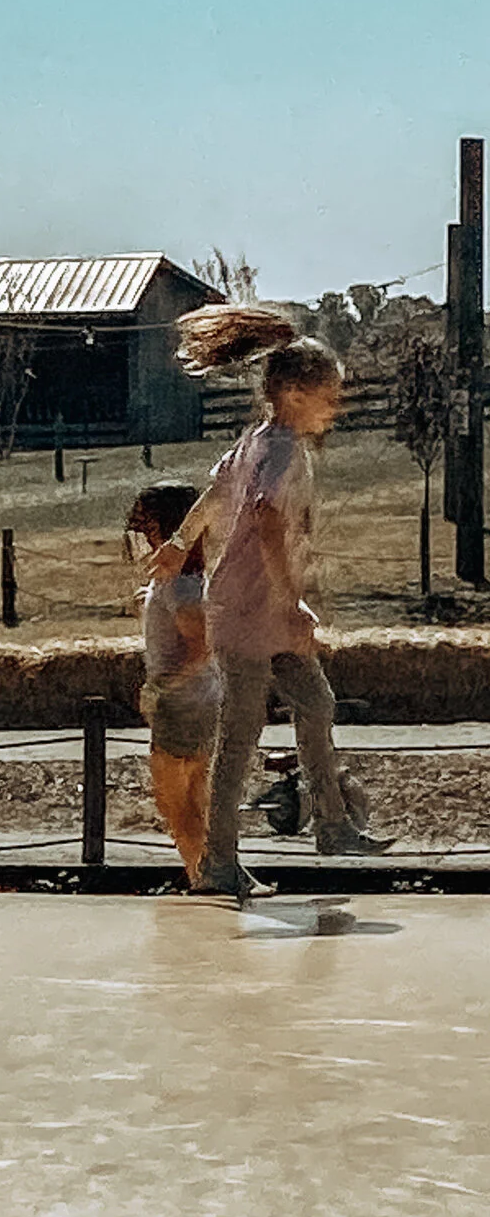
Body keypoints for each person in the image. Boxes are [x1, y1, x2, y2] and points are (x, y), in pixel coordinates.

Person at [148, 306, 392, 898]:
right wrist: (292, 604)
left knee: (315, 702)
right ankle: (219, 866)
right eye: (327, 398)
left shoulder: (259, 440)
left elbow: (214, 493)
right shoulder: (279, 449)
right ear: (291, 394)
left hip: (253, 609)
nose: (334, 410)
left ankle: (332, 825)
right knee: (241, 735)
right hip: (251, 610)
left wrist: (180, 545)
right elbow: (264, 519)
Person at [125, 481, 217, 883]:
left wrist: (161, 689)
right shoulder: (175, 581)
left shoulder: (179, 585)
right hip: (198, 700)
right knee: (192, 795)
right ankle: (203, 871)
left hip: (183, 703)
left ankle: (202, 873)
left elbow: (201, 646)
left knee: (174, 798)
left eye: (149, 528)